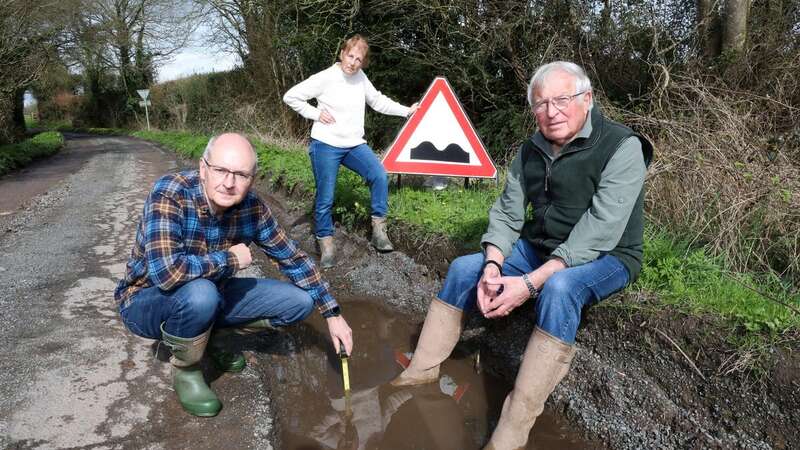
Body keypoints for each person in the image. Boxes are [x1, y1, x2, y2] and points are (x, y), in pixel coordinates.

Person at [391, 61, 653, 449]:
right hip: (542, 246)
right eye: (541, 104)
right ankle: (422, 369)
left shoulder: (622, 146)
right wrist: (494, 263)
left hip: (608, 255)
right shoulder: (531, 149)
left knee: (561, 288)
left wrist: (529, 284)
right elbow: (508, 211)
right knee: (466, 268)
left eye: (562, 100)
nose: (551, 112)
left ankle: (513, 426)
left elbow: (602, 226)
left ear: (587, 99)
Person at [114, 132, 353, 417]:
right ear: (203, 169)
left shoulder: (252, 208)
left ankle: (212, 337)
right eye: (221, 171)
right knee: (202, 294)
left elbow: (293, 259)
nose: (229, 183)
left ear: (252, 179)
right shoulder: (171, 192)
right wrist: (229, 259)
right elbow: (167, 274)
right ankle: (187, 369)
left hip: (211, 292)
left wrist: (332, 313)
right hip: (147, 301)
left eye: (240, 175)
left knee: (299, 301)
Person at [283, 34, 418, 268]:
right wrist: (315, 114)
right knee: (326, 197)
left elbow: (377, 101)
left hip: (354, 144)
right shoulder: (325, 77)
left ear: (363, 62)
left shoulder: (361, 78)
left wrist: (407, 111)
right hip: (325, 145)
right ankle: (326, 243)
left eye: (359, 59)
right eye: (350, 55)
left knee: (378, 174)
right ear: (342, 54)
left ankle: (378, 230)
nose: (353, 62)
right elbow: (291, 96)